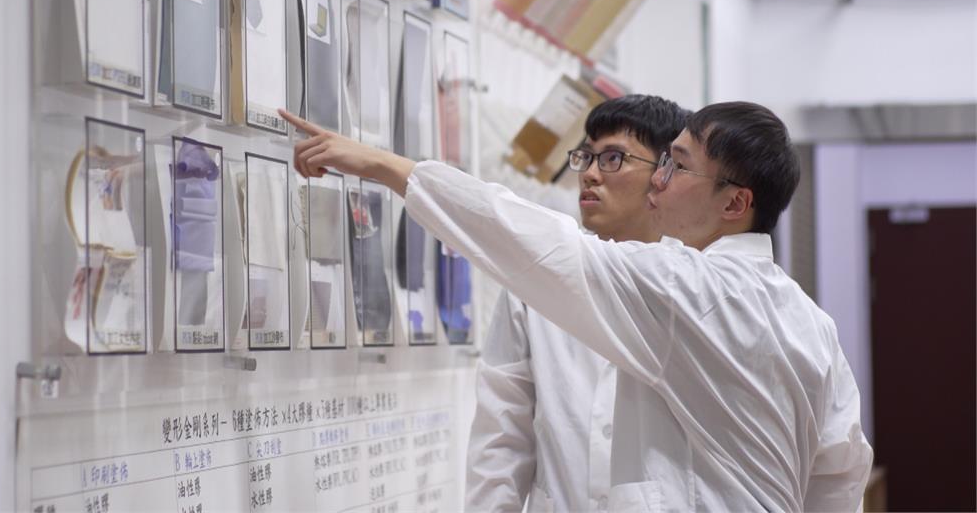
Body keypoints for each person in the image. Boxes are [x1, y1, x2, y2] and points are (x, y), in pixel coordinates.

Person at [281, 101, 873, 512]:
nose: (660, 181)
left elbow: (529, 237)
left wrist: (389, 167)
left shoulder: (683, 287)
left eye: (678, 165)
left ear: (735, 203)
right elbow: (840, 470)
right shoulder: (811, 321)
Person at [465, 95, 689, 513]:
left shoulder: (695, 287)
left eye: (613, 159)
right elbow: (501, 433)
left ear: (664, 172)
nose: (589, 174)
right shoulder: (537, 276)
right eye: (586, 157)